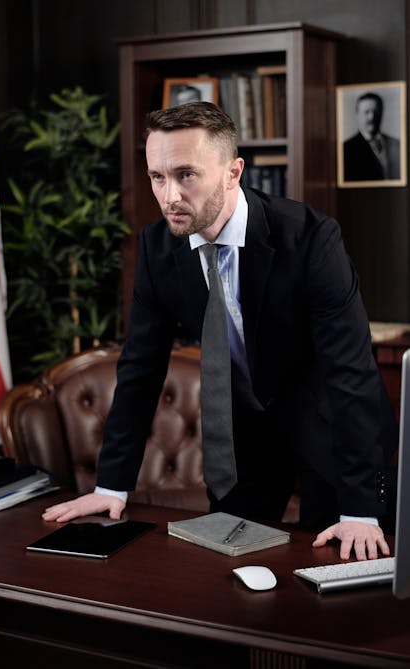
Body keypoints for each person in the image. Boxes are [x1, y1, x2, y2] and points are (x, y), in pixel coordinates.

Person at [43, 101, 398, 561]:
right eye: (157, 177)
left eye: (186, 175)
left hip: (328, 428)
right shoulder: (157, 248)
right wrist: (112, 485)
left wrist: (362, 510)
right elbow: (140, 369)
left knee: (335, 566)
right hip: (242, 439)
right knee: (229, 575)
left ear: (233, 172)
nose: (169, 196)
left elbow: (352, 373)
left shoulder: (312, 239)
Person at [343, 91, 401, 181]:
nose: (371, 117)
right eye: (366, 112)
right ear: (357, 114)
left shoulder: (398, 145)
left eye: (376, 111)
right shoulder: (346, 149)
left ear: (382, 112)